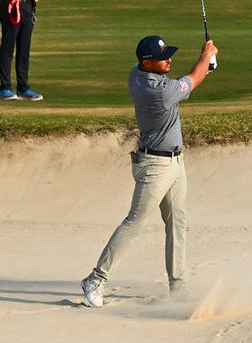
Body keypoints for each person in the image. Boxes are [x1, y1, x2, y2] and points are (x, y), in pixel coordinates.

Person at [80, 34, 219, 308]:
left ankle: (177, 286)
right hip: (155, 167)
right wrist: (207, 58)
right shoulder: (159, 92)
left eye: (167, 55)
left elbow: (190, 77)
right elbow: (194, 78)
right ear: (147, 62)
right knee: (135, 222)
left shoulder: (136, 73)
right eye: (162, 58)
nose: (168, 60)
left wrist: (205, 65)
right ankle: (95, 280)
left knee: (177, 222)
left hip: (176, 163)